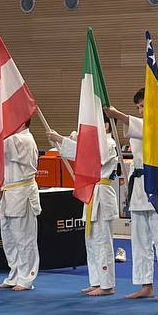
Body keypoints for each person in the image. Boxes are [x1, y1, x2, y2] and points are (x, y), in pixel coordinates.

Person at [106, 91, 158, 303]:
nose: (140, 110)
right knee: (140, 241)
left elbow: (151, 131)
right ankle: (146, 284)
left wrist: (120, 116)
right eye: (138, 107)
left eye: (143, 106)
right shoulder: (138, 125)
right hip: (138, 186)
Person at [50, 119, 119, 296]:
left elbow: (93, 157)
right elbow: (83, 154)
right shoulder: (96, 144)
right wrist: (62, 141)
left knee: (102, 241)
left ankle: (107, 285)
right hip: (91, 192)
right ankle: (96, 281)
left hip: (102, 193)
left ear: (106, 125)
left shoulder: (109, 143)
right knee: (91, 240)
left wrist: (63, 140)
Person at [0, 126, 42, 291]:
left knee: (24, 239)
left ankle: (26, 278)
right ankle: (14, 275)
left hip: (22, 192)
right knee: (9, 239)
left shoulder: (24, 139)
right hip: (9, 192)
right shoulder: (11, 139)